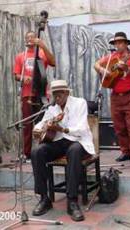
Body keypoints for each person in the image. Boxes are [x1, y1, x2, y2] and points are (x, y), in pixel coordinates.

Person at [30, 80, 95, 222]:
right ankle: (44, 198)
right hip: (59, 143)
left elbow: (82, 129)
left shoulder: (80, 103)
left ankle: (72, 201)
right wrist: (38, 130)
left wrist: (62, 129)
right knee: (37, 152)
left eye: (59, 94)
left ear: (66, 92)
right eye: (54, 94)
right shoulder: (52, 108)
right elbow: (42, 123)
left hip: (79, 141)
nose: (56, 97)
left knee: (74, 151)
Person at [94, 32, 130, 164]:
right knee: (119, 126)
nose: (118, 45)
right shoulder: (111, 58)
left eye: (121, 42)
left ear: (126, 44)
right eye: (116, 43)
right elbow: (96, 64)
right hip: (115, 96)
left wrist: (127, 69)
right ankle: (125, 151)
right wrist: (102, 70)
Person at [13, 31, 55, 160]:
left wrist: (43, 46)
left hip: (41, 94)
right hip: (27, 95)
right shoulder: (21, 56)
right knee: (26, 125)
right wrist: (22, 77)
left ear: (36, 39)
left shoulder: (42, 53)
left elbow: (53, 62)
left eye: (32, 37)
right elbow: (16, 75)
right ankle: (27, 153)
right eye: (27, 38)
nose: (29, 39)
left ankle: (44, 151)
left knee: (43, 124)